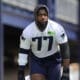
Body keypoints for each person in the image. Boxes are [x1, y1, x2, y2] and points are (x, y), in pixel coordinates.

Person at [18, 4, 70, 80]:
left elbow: (65, 49)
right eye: (40, 15)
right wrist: (21, 71)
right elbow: (23, 51)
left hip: (53, 59)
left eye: (45, 15)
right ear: (35, 16)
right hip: (37, 60)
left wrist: (66, 71)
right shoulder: (28, 31)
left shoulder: (56, 28)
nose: (43, 17)